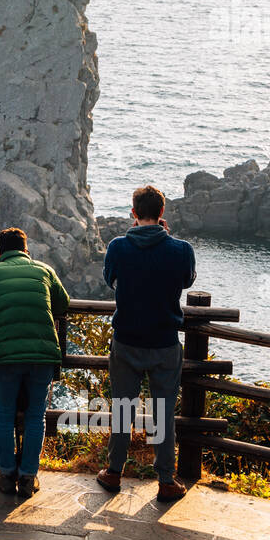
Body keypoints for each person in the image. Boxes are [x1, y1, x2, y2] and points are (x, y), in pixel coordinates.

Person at [98, 185, 197, 503]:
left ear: (134, 213)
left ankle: (114, 472)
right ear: (162, 214)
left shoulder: (118, 246)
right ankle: (166, 480)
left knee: (123, 408)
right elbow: (187, 281)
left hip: (126, 340)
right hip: (165, 342)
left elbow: (109, 278)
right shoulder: (181, 250)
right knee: (164, 413)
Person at [0, 227, 69, 500]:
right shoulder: (44, 270)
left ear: (0, 252)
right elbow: (63, 303)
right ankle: (28, 477)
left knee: (5, 414)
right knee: (36, 415)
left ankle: (6, 474)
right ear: (26, 249)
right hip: (42, 354)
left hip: (5, 355)